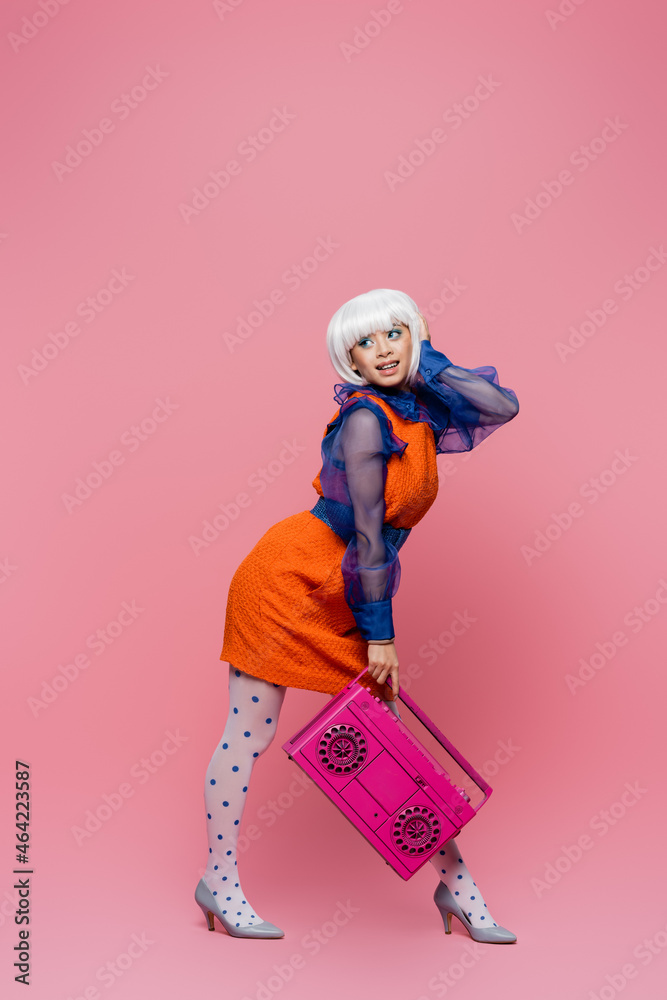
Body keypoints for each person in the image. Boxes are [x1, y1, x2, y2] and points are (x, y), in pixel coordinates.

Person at [195, 288, 520, 942]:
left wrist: (427, 359)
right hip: (289, 583)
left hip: (345, 585)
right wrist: (381, 638)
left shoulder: (419, 406)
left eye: (392, 334)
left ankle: (457, 887)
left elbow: (501, 406)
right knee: (249, 733)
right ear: (349, 360)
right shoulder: (366, 420)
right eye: (363, 344)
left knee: (391, 746)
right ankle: (218, 881)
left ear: (415, 332)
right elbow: (369, 536)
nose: (381, 351)